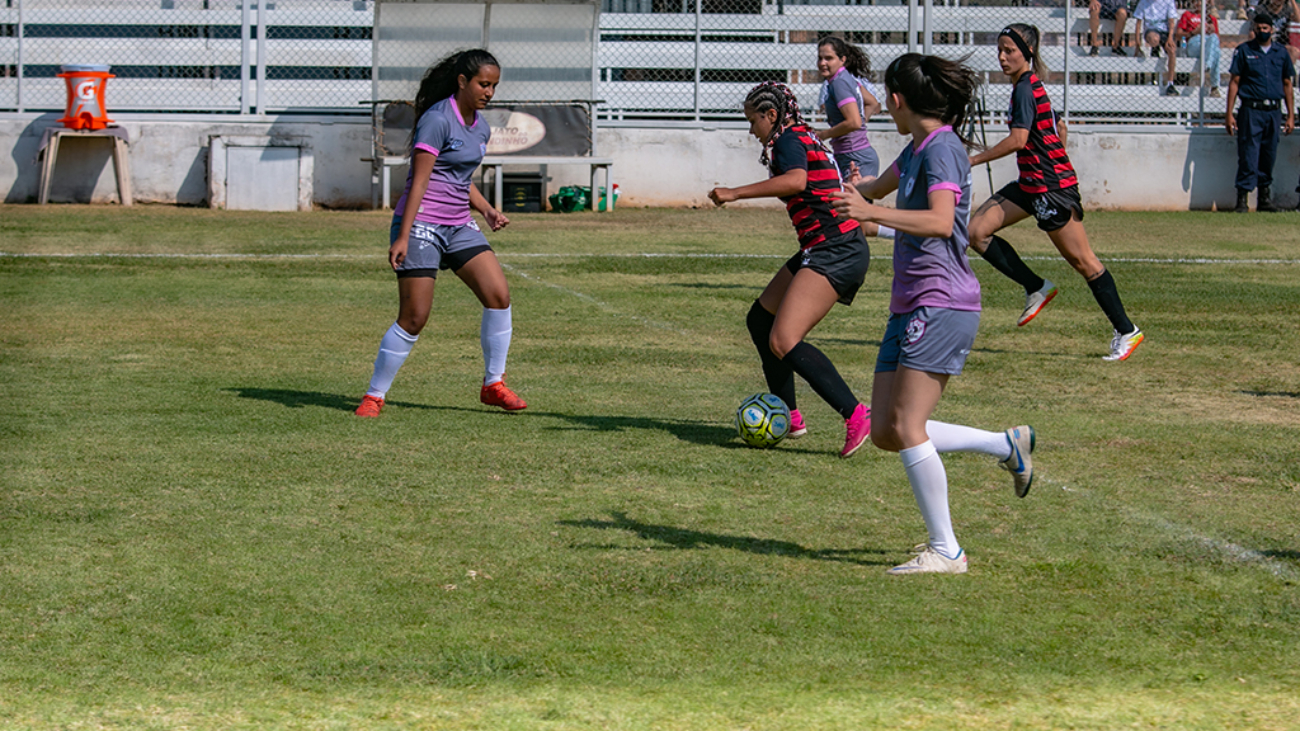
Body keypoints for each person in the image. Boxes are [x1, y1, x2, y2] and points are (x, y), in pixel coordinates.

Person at [830, 53, 1036, 576]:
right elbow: (873, 194)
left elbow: (944, 222)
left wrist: (872, 212)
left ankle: (947, 550)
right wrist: (852, 192)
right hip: (910, 302)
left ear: (898, 100)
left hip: (942, 301)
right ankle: (1004, 444)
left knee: (905, 422)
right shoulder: (916, 147)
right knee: (886, 430)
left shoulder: (944, 149)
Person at [354, 49, 526, 418]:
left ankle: (493, 384)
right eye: (484, 84)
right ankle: (374, 396)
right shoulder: (437, 119)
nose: (490, 92)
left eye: (494, 85)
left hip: (458, 224)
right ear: (462, 81)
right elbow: (420, 180)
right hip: (421, 225)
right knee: (414, 317)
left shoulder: (479, 125)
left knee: (499, 296)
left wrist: (486, 210)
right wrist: (403, 235)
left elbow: (459, 179)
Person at [708, 81, 872, 458]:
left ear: (770, 115)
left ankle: (856, 413)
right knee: (760, 320)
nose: (751, 130)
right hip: (824, 245)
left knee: (783, 339)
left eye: (753, 121)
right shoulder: (801, 135)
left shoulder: (787, 139)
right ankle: (789, 415)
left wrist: (734, 193)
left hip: (835, 248)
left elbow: (797, 181)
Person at [966, 25, 1145, 362]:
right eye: (1000, 50)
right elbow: (1054, 128)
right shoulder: (1027, 86)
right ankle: (1036, 286)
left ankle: (1127, 330)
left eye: (1009, 50)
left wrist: (974, 159)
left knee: (1084, 262)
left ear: (1028, 51)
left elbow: (1020, 139)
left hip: (1051, 188)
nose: (1002, 57)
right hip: (1031, 183)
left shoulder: (1025, 89)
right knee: (977, 231)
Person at [814, 36, 897, 242]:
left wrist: (822, 135)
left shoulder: (839, 83)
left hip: (855, 158)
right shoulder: (845, 79)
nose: (823, 63)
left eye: (829, 58)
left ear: (842, 59)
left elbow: (853, 122)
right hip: (854, 154)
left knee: (856, 222)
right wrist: (860, 122)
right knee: (850, 220)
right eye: (820, 58)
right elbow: (873, 104)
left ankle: (913, 235)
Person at [1225, 10, 1296, 212]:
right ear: (1254, 30)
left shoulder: (1281, 53)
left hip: (1273, 111)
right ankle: (1242, 200)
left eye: (1265, 28)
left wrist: (1290, 116)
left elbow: (1287, 84)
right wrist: (1229, 114)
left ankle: (1264, 199)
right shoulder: (1244, 51)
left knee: (1268, 155)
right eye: (1258, 28)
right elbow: (1234, 82)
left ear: (1272, 30)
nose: (1262, 31)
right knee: (1248, 154)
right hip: (1251, 110)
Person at [1175, 0, 1222, 97]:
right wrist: (1194, 32)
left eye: (1201, 1)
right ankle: (1214, 86)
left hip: (1208, 43)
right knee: (1216, 52)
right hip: (1194, 43)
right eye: (1196, 1)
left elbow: (1217, 41)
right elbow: (1178, 35)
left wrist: (1211, 31)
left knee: (1215, 43)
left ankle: (1206, 65)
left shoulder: (1211, 19)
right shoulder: (1187, 15)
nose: (1199, 4)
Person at [1133, 0, 1181, 95]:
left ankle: (1170, 83)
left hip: (1164, 31)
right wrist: (1138, 43)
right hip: (1151, 30)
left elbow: (1171, 21)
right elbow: (1138, 24)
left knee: (1172, 50)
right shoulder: (1144, 2)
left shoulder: (1168, 2)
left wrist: (1170, 38)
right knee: (1154, 38)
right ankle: (1153, 77)